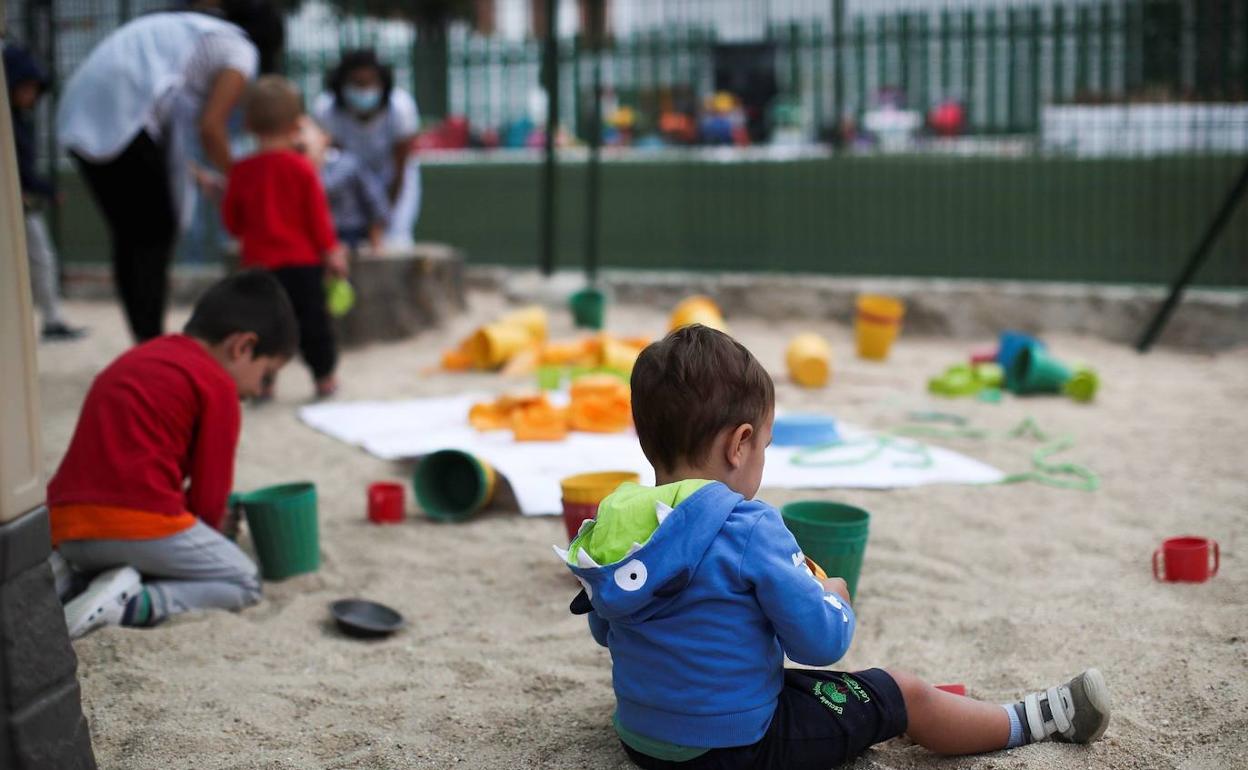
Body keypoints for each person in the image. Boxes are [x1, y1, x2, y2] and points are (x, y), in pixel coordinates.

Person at [557, 324, 1112, 769]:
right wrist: (833, 593)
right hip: (737, 749)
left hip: (643, 741)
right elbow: (822, 644)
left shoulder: (617, 521)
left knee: (808, 688)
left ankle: (926, 708)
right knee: (902, 692)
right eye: (765, 446)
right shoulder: (750, 526)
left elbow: (607, 627)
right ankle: (1030, 722)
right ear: (740, 444)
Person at [49, 270, 297, 639]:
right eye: (267, 375)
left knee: (143, 540)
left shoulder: (143, 355)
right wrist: (216, 530)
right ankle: (135, 604)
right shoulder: (217, 385)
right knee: (243, 579)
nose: (262, 390)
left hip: (63, 526)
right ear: (242, 347)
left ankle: (76, 579)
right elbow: (209, 498)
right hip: (133, 522)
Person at [56, 0, 283, 343]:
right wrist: (243, 182)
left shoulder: (195, 31)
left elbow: (166, 126)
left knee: (133, 234)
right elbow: (211, 128)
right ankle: (151, 339)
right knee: (153, 231)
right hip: (119, 115)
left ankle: (144, 338)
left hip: (84, 113)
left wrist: (196, 174)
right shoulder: (240, 48)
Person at [223, 75, 347, 399]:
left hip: (258, 267)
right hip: (302, 265)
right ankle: (324, 378)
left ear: (248, 125)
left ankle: (263, 382)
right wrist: (331, 252)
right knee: (313, 324)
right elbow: (318, 219)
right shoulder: (302, 168)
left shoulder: (241, 171)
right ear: (296, 124)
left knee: (262, 328)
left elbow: (233, 224)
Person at [4, 43, 86, 341]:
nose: (31, 95)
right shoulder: (10, 123)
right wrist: (46, 190)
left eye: (34, 89)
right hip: (18, 203)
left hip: (23, 203)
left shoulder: (19, 121)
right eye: (26, 87)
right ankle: (50, 320)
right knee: (40, 259)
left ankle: (51, 319)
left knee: (41, 259)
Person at [314, 49, 420, 247]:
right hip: (349, 182)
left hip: (392, 177)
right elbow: (333, 166)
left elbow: (400, 168)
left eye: (370, 82)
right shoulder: (326, 110)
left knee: (395, 241)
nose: (364, 89)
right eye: (357, 83)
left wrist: (383, 217)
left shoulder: (401, 108)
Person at [296, 115, 389, 251]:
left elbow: (375, 200)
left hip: (348, 235)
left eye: (302, 130)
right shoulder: (293, 171)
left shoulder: (348, 165)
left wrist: (376, 239)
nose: (297, 138)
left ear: (325, 137)